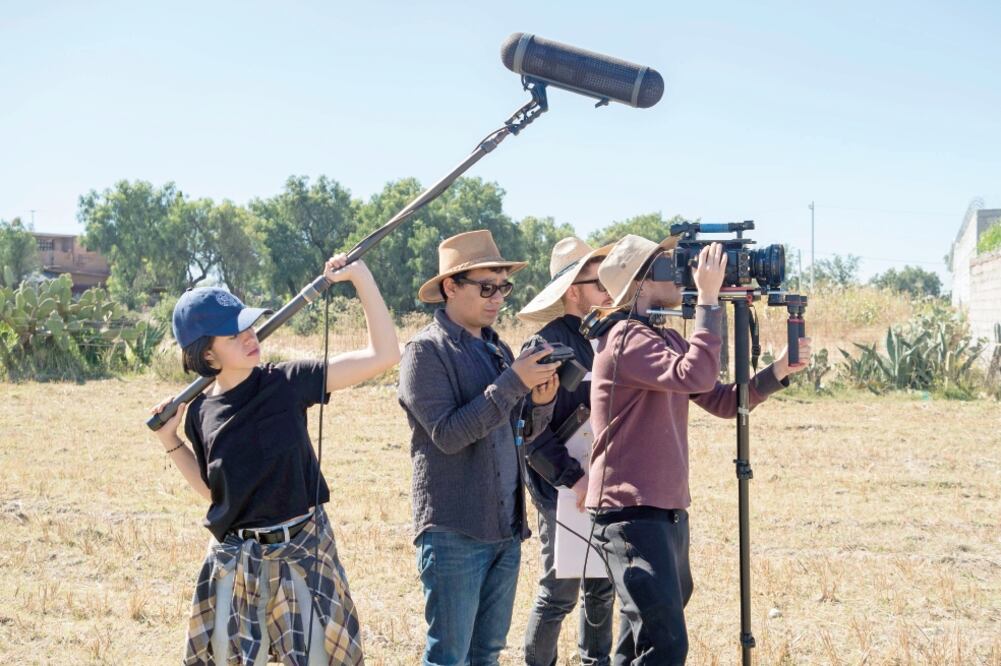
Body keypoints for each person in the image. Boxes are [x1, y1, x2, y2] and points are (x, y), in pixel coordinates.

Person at [150, 254, 399, 665]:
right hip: (239, 564)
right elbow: (216, 494)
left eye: (248, 326)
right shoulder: (199, 412)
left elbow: (384, 355)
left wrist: (360, 277)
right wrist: (171, 441)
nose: (250, 337)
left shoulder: (286, 382)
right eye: (234, 335)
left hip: (303, 554)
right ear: (207, 356)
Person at [586, 235, 812, 664]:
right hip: (630, 511)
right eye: (671, 265)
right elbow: (696, 374)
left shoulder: (661, 339)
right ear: (642, 283)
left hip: (662, 508)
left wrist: (779, 371)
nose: (684, 273)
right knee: (664, 644)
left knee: (642, 640)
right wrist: (709, 299)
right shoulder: (623, 339)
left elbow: (722, 399)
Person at [398, 230, 559, 666]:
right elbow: (448, 435)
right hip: (455, 529)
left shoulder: (496, 348)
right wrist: (513, 383)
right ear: (451, 286)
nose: (497, 298)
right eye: (486, 287)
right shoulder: (424, 352)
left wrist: (540, 402)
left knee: (486, 654)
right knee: (449, 656)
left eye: (503, 287)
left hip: (505, 527)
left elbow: (516, 430)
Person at [516, 237, 617, 666]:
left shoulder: (607, 335)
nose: (609, 286)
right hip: (563, 488)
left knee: (603, 586)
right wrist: (573, 479)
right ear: (573, 289)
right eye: (598, 280)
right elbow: (529, 434)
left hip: (604, 483)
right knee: (560, 591)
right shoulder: (543, 346)